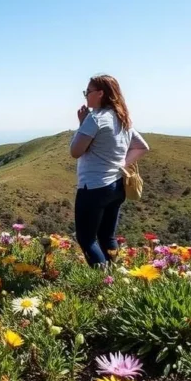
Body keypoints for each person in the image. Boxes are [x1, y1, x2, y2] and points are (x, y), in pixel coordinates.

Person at [70, 74, 150, 267]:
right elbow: (142, 147)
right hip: (116, 187)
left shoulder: (95, 119)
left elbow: (75, 151)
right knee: (106, 236)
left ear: (100, 93)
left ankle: (103, 282)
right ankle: (114, 276)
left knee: (87, 239)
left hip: (94, 188)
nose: (85, 96)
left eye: (87, 92)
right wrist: (121, 164)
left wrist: (82, 123)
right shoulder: (122, 119)